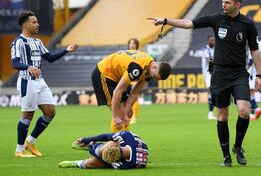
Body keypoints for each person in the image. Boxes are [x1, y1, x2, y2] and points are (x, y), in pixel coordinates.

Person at [148, 0, 261, 167]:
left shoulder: (247, 24)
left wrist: (260, 75)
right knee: (223, 115)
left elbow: (255, 50)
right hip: (219, 74)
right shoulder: (216, 19)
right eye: (222, 1)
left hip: (239, 73)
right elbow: (188, 24)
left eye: (227, 2)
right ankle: (226, 156)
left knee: (244, 111)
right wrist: (165, 21)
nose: (223, 4)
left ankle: (238, 147)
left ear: (237, 4)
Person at [11, 10, 78, 157]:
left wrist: (66, 50)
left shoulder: (37, 41)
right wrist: (28, 66)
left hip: (40, 81)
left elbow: (50, 57)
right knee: (27, 115)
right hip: (26, 82)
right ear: (25, 24)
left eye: (37, 22)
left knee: (50, 112)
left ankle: (31, 141)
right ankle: (19, 150)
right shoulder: (18, 42)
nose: (37, 24)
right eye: (34, 22)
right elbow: (15, 63)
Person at [92, 50, 171, 132]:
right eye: (154, 76)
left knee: (129, 113)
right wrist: (115, 116)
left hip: (116, 78)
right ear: (154, 67)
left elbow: (135, 93)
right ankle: (117, 143)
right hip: (104, 74)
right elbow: (117, 91)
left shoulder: (150, 68)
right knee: (119, 114)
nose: (153, 78)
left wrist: (125, 114)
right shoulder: (138, 68)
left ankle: (125, 140)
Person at [59, 130, 148, 169]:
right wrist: (88, 139)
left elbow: (107, 162)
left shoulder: (125, 165)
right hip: (123, 146)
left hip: (118, 156)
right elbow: (106, 136)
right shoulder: (127, 136)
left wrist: (93, 150)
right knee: (109, 145)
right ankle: (93, 145)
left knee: (93, 162)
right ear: (117, 147)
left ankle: (77, 163)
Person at [201, 35, 216, 120]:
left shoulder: (216, 49)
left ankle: (211, 112)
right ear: (208, 41)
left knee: (214, 92)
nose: (213, 41)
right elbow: (208, 60)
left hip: (215, 73)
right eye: (211, 40)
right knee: (211, 91)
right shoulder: (205, 49)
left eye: (214, 40)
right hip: (208, 73)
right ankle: (210, 113)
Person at [246, 51, 261, 121]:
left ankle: (256, 108)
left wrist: (244, 69)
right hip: (253, 74)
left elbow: (250, 62)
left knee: (248, 94)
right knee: (251, 95)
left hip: (250, 75)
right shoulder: (257, 51)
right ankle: (252, 114)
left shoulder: (251, 51)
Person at [127, 38, 141, 124]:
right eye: (130, 43)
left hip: (135, 78)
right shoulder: (126, 54)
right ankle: (128, 116)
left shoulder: (138, 55)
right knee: (127, 98)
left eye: (133, 44)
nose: (132, 45)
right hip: (126, 78)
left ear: (136, 45)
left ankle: (134, 116)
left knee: (134, 97)